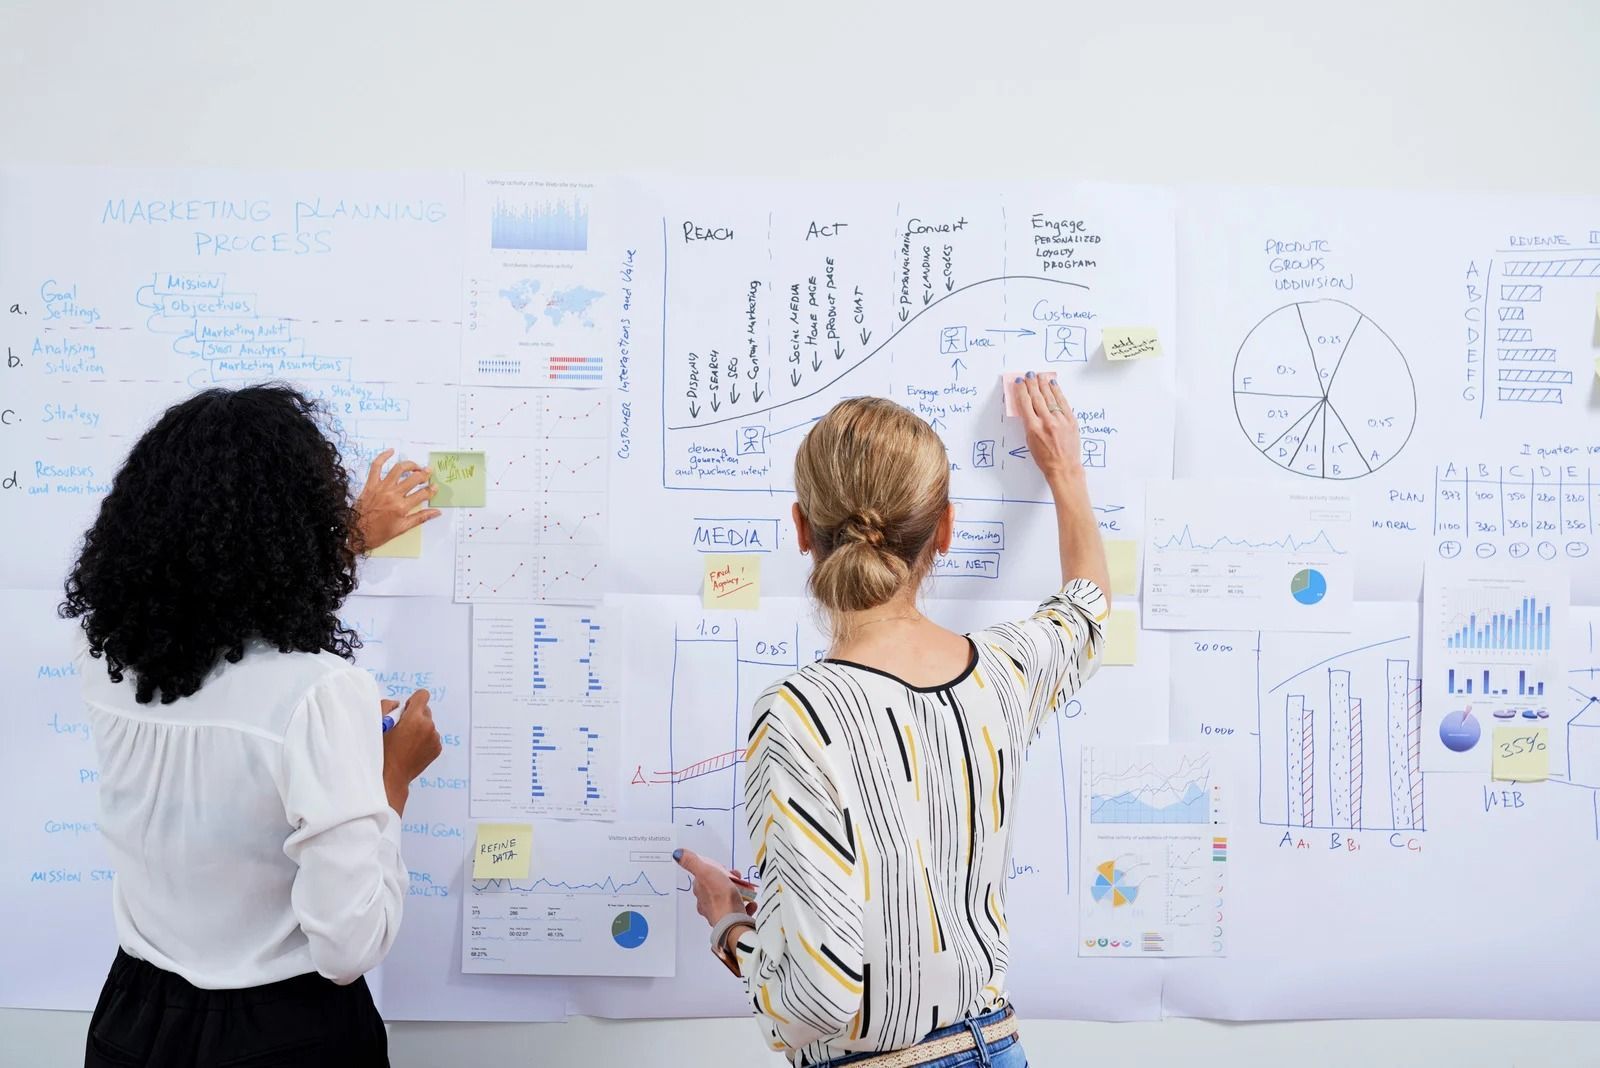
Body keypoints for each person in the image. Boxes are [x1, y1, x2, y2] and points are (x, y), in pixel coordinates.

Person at [677, 373, 1109, 1067]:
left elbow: (818, 1001)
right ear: (944, 527)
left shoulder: (797, 716)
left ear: (799, 528)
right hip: (999, 1046)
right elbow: (1086, 611)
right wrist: (1064, 469)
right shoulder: (1005, 671)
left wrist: (730, 926)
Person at [60, 384, 446, 1067]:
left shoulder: (109, 657)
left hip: (132, 1020)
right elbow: (348, 947)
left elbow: (221, 616)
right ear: (300, 524)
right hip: (283, 1033)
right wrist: (392, 778)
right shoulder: (320, 693)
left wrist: (348, 544)